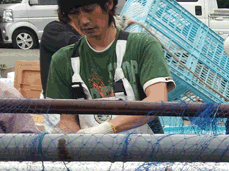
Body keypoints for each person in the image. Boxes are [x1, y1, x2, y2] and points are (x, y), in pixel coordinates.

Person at [45, 0, 175, 134]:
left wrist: (106, 128)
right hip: (90, 150)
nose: (84, 21)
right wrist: (66, 137)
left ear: (109, 4)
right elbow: (68, 119)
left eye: (89, 10)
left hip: (143, 149)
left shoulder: (142, 46)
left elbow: (157, 99)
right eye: (74, 13)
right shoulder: (63, 60)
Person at [39, 19, 81, 132]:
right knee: (64, 144)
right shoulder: (54, 29)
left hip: (82, 103)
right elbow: (79, 45)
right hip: (58, 104)